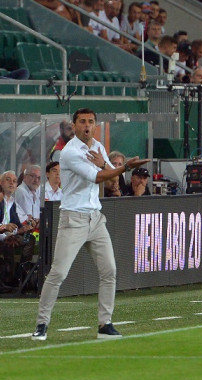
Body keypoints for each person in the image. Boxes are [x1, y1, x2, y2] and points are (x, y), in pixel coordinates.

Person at [31, 108, 150, 341]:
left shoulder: (97, 146)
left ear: (95, 125)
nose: (87, 125)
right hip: (73, 218)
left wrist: (108, 166)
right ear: (74, 126)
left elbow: (112, 177)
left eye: (91, 122)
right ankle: (42, 324)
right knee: (58, 274)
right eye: (82, 122)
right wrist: (124, 167)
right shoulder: (69, 152)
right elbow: (98, 177)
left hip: (95, 218)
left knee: (110, 271)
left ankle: (105, 324)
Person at [0, 171, 36, 288]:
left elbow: (18, 223)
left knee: (29, 238)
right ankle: (8, 279)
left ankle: (22, 275)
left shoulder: (12, 202)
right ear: (0, 182)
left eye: (14, 181)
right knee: (8, 243)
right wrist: (11, 234)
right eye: (8, 179)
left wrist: (27, 226)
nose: (12, 183)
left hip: (9, 233)